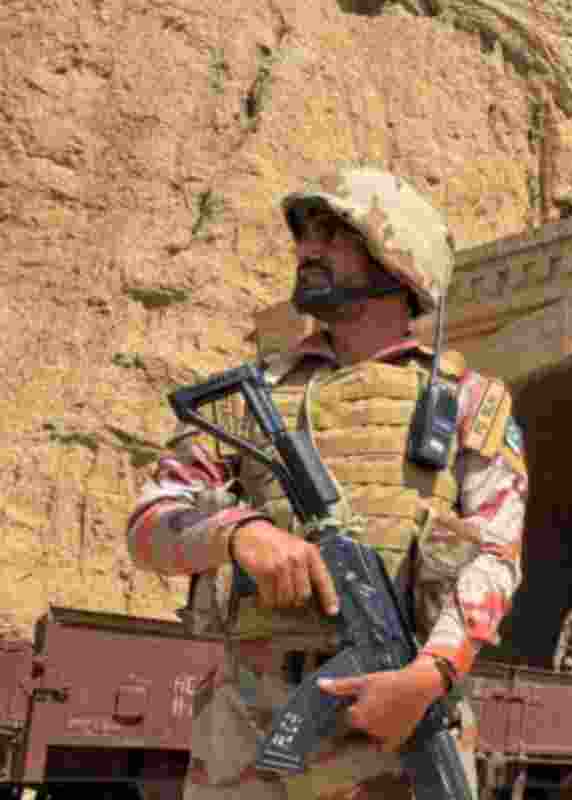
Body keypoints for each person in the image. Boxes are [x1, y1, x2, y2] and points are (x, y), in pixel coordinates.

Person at [126, 166, 528, 799]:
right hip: (247, 735)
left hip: (402, 728)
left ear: (398, 259)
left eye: (334, 234)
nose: (307, 249)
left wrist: (427, 676)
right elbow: (151, 524)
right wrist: (239, 533)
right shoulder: (251, 398)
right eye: (304, 235)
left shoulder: (472, 404)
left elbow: (496, 558)